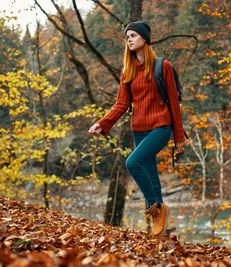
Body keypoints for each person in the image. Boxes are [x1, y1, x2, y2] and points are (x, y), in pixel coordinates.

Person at [88, 21, 186, 238]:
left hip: (161, 126)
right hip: (139, 130)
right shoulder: (127, 71)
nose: (129, 39)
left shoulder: (163, 66)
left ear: (144, 38)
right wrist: (102, 123)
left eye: (133, 35)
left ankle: (156, 208)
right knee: (151, 176)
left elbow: (174, 103)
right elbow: (121, 105)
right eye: (127, 37)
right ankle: (162, 232)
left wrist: (179, 136)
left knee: (132, 162)